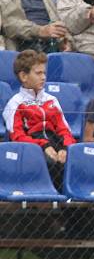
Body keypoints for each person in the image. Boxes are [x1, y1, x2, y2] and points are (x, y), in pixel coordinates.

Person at [2, 49, 75, 188]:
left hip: (56, 143)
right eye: (38, 73)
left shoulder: (52, 100)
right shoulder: (15, 103)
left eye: (44, 73)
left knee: (75, 160)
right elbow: (17, 136)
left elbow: (64, 129)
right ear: (23, 76)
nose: (43, 77)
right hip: (31, 147)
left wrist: (65, 148)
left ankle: (73, 203)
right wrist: (44, 145)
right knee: (50, 163)